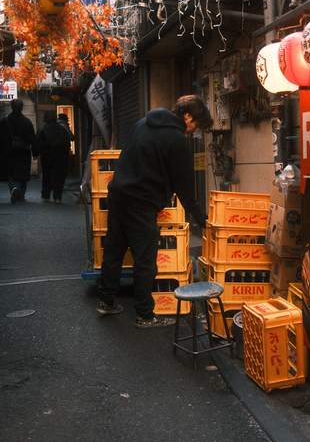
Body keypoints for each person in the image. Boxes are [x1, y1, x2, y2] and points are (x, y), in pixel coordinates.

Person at [96, 94, 213, 328]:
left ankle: (106, 301)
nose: (193, 130)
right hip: (141, 203)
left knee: (114, 250)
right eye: (196, 124)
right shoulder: (176, 140)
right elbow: (185, 188)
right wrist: (202, 219)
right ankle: (145, 315)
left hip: (118, 194)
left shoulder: (141, 124)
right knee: (145, 259)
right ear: (187, 116)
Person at [2, 99, 36, 204]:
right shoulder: (27, 122)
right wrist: (35, 152)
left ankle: (13, 188)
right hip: (23, 151)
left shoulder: (4, 121)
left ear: (12, 107)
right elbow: (32, 138)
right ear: (21, 108)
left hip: (8, 151)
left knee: (10, 173)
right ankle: (21, 195)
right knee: (23, 174)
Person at [34, 110, 71, 203]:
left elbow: (37, 143)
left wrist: (35, 153)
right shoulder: (62, 129)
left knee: (47, 175)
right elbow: (67, 143)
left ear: (46, 118)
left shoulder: (43, 129)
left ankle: (46, 194)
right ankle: (57, 196)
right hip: (60, 156)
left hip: (46, 156)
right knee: (59, 176)